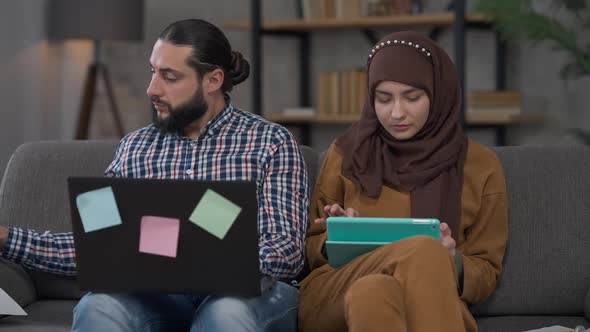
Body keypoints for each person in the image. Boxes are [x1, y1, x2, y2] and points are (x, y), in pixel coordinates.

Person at [0, 18, 309, 332]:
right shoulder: (135, 148)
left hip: (247, 296)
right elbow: (95, 245)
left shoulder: (271, 143)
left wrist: (218, 262)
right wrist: (7, 238)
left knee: (225, 313)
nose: (152, 89)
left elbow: (286, 248)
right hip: (160, 297)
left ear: (213, 80)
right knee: (99, 305)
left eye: (170, 77)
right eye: (153, 72)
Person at [298, 31, 508, 332]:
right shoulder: (346, 153)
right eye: (383, 99)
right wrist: (341, 236)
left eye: (412, 98)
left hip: (427, 297)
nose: (396, 113)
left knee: (374, 293)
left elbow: (487, 272)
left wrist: (452, 260)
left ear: (438, 95)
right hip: (334, 289)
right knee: (423, 250)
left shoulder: (481, 167)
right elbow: (307, 246)